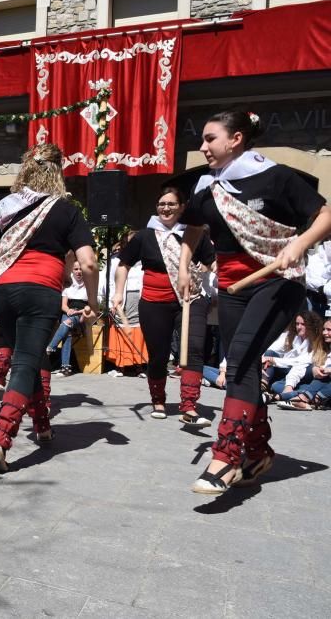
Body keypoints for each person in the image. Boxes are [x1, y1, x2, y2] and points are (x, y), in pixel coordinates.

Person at [178, 110, 331, 495]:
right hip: (231, 286)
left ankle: (226, 457)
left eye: (211, 139)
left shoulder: (276, 176)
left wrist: (300, 242)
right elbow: (194, 227)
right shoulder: (205, 185)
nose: (203, 146)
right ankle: (258, 451)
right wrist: (184, 265)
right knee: (241, 367)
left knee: (243, 357)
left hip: (276, 281)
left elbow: (325, 215)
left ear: (236, 139)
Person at [0, 143, 99, 473]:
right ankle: (0, 438)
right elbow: (88, 261)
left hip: (3, 289)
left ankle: (42, 425)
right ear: (57, 172)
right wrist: (94, 302)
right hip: (41, 289)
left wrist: (8, 254)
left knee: (33, 355)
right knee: (27, 360)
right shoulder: (66, 210)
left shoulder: (6, 204)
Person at [113, 187, 216, 427]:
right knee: (158, 355)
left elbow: (212, 263)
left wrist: (205, 278)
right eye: (161, 204)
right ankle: (158, 400)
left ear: (182, 207)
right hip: (154, 301)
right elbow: (124, 265)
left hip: (190, 299)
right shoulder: (145, 236)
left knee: (193, 349)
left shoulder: (194, 234)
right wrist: (118, 292)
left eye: (171, 204)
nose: (165, 208)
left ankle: (189, 405)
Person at [261, 311, 320, 394]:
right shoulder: (292, 336)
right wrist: (261, 361)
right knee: (269, 353)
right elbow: (271, 348)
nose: (299, 327)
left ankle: (306, 392)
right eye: (297, 324)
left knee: (276, 386)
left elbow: (299, 362)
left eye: (303, 324)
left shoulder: (316, 342)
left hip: (303, 373)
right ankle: (263, 382)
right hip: (289, 371)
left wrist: (274, 360)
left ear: (311, 325)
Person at [46, 261, 88, 377]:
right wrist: (68, 310)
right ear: (72, 271)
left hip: (82, 316)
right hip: (68, 313)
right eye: (76, 269)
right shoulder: (68, 286)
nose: (79, 272)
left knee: (67, 322)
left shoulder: (89, 285)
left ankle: (50, 347)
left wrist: (79, 312)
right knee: (67, 331)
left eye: (80, 269)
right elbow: (63, 305)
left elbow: (90, 307)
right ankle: (65, 367)